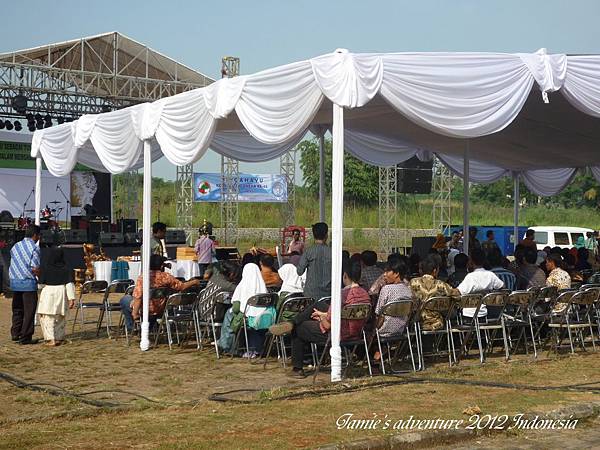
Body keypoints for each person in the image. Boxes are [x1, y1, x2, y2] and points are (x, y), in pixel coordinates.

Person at [290, 261, 370, 377]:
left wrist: (321, 318)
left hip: (338, 333)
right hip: (356, 331)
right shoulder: (365, 294)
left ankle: (297, 368)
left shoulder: (341, 295)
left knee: (299, 328)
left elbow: (327, 325)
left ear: (345, 276)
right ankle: (294, 321)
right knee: (319, 305)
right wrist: (324, 314)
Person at [119, 255, 200, 333]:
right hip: (162, 309)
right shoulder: (166, 277)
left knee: (124, 299)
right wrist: (194, 281)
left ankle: (131, 327)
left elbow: (138, 296)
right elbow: (181, 286)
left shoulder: (143, 277)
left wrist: (135, 312)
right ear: (161, 266)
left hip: (145, 308)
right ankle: (151, 325)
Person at [219, 263, 271, 358]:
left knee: (229, 314)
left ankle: (227, 346)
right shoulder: (262, 287)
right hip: (263, 319)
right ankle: (256, 349)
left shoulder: (242, 286)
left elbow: (236, 308)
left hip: (247, 319)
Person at [9, 225, 41, 345]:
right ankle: (26, 337)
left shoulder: (15, 245)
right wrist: (42, 275)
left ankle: (15, 333)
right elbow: (35, 268)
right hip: (28, 282)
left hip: (15, 281)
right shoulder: (34, 248)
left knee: (17, 309)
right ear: (35, 235)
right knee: (29, 311)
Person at [37, 247, 76, 346]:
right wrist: (71, 299)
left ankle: (50, 339)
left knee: (47, 317)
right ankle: (59, 338)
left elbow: (40, 285)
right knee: (60, 317)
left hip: (48, 293)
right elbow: (69, 284)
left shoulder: (45, 268)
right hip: (61, 293)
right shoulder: (67, 269)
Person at [409, 255, 459, 331]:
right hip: (437, 323)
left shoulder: (413, 282)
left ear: (421, 270)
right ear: (435, 271)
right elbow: (457, 296)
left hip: (418, 322)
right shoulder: (441, 284)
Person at [457, 248, 504, 319]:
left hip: (468, 314)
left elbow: (459, 292)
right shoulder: (490, 275)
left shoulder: (470, 277)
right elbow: (502, 287)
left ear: (471, 261)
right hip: (484, 313)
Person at [375, 258, 412, 339]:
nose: (384, 274)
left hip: (383, 331)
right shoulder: (408, 289)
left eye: (387, 271)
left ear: (396, 274)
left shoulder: (386, 289)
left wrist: (375, 328)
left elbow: (379, 315)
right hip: (400, 330)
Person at [297, 222, 332, 301]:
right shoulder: (332, 253)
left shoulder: (308, 251)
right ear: (326, 235)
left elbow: (299, 271)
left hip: (310, 295)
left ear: (313, 235)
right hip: (328, 295)